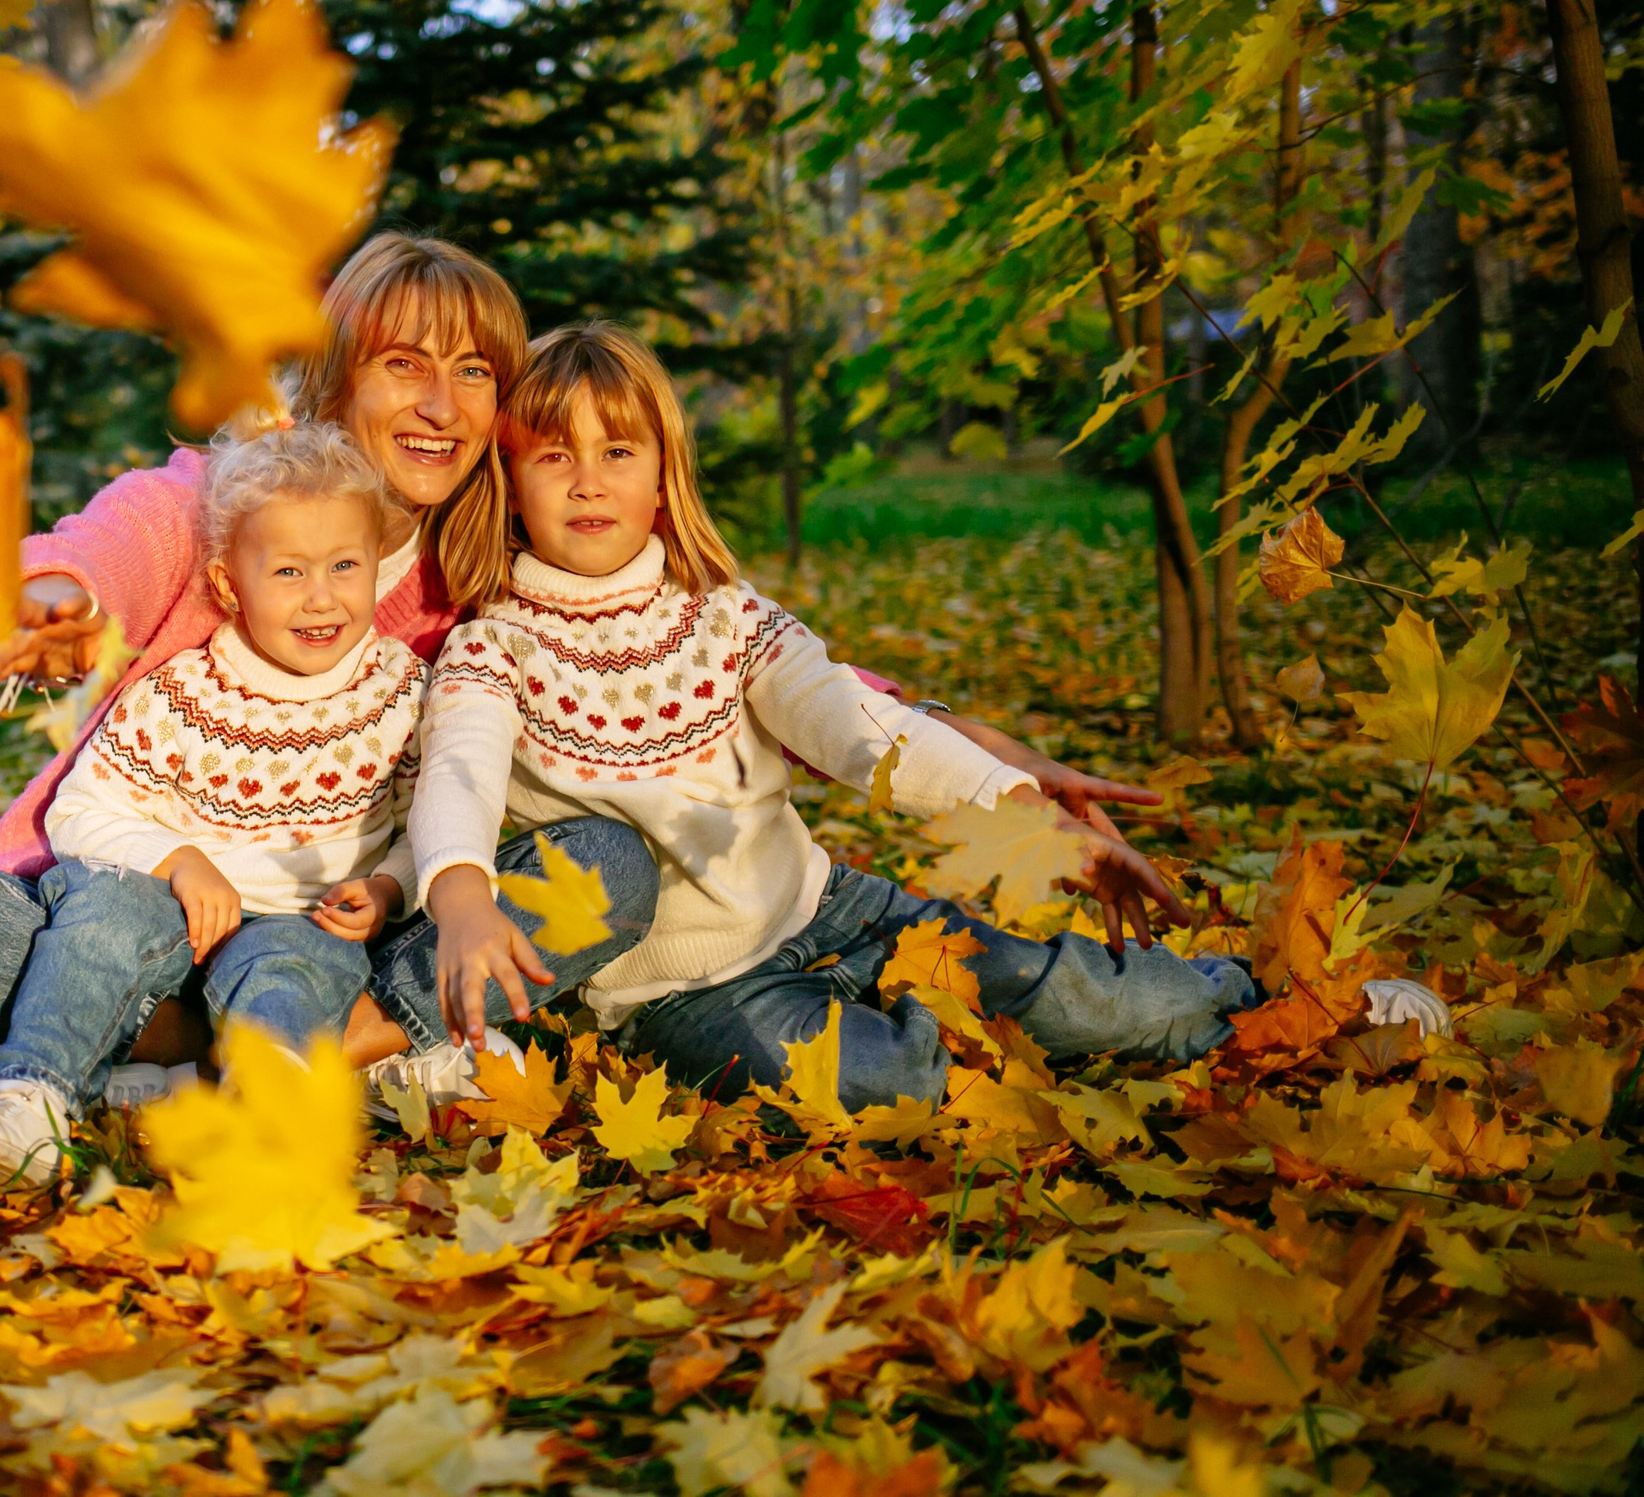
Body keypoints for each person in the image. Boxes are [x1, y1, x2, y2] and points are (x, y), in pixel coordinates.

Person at [0, 234, 1170, 1100]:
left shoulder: (489, 582)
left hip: (355, 937)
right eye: (403, 362)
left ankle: (208, 1052)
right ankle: (200, 1044)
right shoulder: (236, 501)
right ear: (340, 379)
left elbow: (734, 658)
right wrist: (55, 589)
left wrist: (986, 754)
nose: (437, 401)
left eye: (474, 370)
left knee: (602, 867)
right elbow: (124, 533)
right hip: (148, 914)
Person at [406, 321, 1260, 1106]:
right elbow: (459, 777)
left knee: (1103, 1001)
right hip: (692, 993)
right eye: (554, 456)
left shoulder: (726, 616)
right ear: (511, 484)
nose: (589, 482)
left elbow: (860, 728)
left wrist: (1033, 821)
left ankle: (1241, 998)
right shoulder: (492, 652)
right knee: (877, 1083)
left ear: (662, 478)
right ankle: (936, 1042)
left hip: (838, 910)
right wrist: (464, 897)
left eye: (618, 451)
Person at [0, 422, 432, 1197]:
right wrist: (178, 860)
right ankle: (29, 1100)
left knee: (292, 972)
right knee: (98, 922)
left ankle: (258, 1117)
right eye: (288, 570)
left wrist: (389, 888)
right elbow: (81, 812)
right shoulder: (186, 694)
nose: (321, 596)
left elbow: (422, 819)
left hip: (307, 917)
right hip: (168, 917)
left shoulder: (397, 688)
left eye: (345, 566)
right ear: (230, 586)